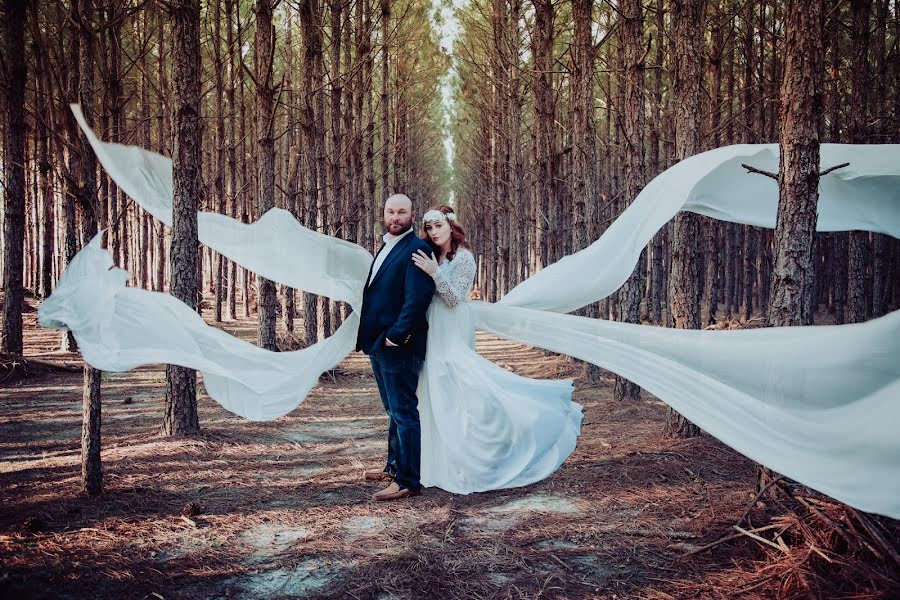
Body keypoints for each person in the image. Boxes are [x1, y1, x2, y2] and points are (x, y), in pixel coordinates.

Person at [409, 206, 584, 494]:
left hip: (452, 327)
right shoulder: (430, 256)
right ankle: (439, 464)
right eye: (429, 228)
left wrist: (434, 273)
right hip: (432, 329)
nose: (434, 232)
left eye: (438, 225)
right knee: (434, 393)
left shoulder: (464, 258)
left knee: (463, 389)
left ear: (451, 227)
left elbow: (454, 298)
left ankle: (513, 435)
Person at [356, 193, 436, 501]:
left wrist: (397, 335)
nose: (395, 217)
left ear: (412, 217)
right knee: (392, 409)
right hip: (380, 343)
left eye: (401, 212)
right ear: (384, 213)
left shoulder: (417, 248)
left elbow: (417, 298)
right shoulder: (388, 245)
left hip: (398, 344)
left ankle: (407, 481)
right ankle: (393, 466)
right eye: (390, 211)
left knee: (404, 411)